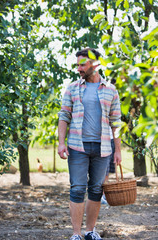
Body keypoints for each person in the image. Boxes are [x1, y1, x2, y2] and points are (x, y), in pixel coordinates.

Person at [58, 48, 122, 240]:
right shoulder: (72, 88)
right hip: (78, 147)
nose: (79, 68)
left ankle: (90, 232)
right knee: (77, 188)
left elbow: (116, 122)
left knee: (96, 189)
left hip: (103, 148)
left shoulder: (111, 90)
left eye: (82, 64)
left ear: (95, 64)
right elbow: (63, 117)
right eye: (77, 64)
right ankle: (76, 234)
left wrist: (117, 150)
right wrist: (61, 143)